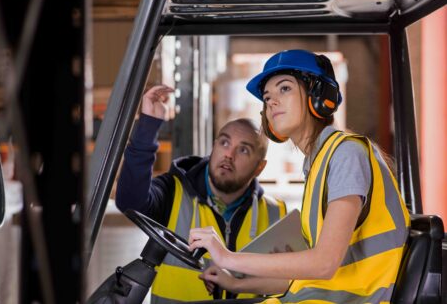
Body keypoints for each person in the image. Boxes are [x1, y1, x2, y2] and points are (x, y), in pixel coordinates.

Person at [189, 49, 410, 303]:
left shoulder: (346, 153)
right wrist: (237, 282)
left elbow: (324, 264)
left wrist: (226, 256)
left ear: (319, 96)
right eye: (267, 96)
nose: (271, 102)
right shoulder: (318, 163)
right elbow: (309, 274)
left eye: (284, 89)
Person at [115, 85, 287, 303]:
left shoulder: (275, 214)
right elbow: (129, 201)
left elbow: (290, 287)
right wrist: (148, 125)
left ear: (259, 168)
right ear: (213, 147)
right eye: (224, 142)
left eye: (243, 150)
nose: (229, 155)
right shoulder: (173, 191)